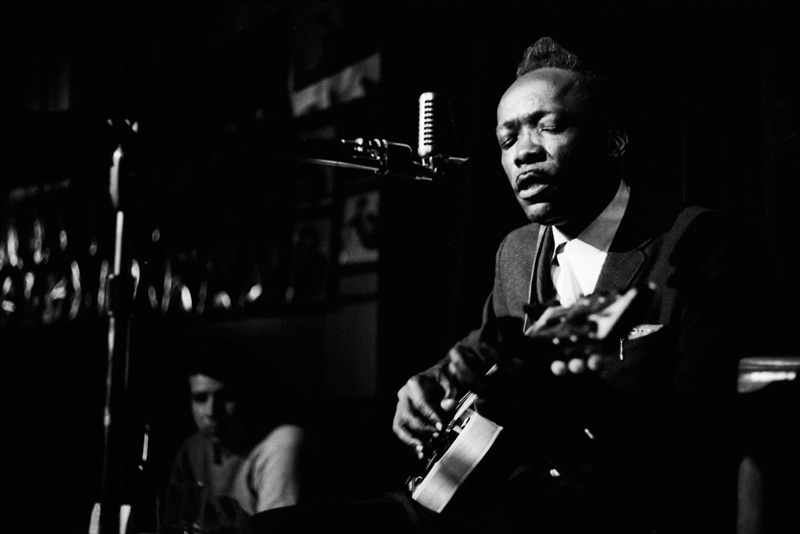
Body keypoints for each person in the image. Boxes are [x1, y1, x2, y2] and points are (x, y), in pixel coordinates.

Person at [250, 36, 756, 534]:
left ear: (613, 138)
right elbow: (485, 348)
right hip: (493, 492)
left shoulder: (699, 244)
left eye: (549, 127)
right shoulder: (516, 251)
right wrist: (432, 383)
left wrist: (580, 410)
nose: (524, 154)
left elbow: (707, 442)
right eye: (508, 139)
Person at [162, 337, 307, 534]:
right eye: (200, 398)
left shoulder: (281, 444)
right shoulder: (192, 449)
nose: (212, 411)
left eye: (226, 397)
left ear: (247, 395)